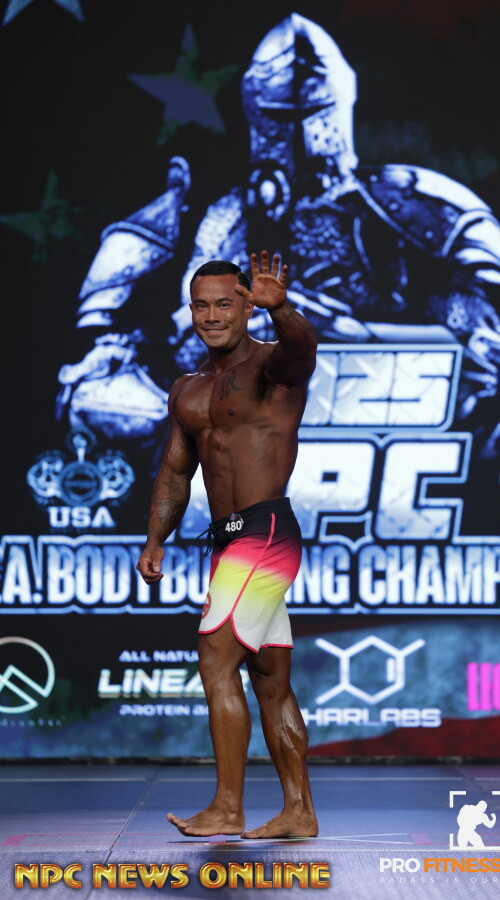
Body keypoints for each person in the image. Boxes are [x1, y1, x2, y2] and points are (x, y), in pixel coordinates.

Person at [136, 250, 318, 839]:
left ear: (246, 306)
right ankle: (299, 811)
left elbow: (302, 351)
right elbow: (175, 471)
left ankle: (227, 807)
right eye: (201, 305)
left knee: (216, 658)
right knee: (269, 677)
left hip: (265, 532)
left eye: (224, 304)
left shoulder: (273, 367)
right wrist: (155, 538)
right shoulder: (188, 389)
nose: (212, 316)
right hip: (228, 542)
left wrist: (282, 310)